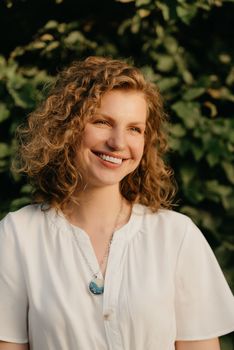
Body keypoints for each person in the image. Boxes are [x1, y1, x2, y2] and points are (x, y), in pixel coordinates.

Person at [0, 56, 233, 350]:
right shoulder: (18, 235)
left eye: (135, 128)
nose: (118, 142)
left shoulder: (176, 237)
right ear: (67, 127)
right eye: (102, 122)